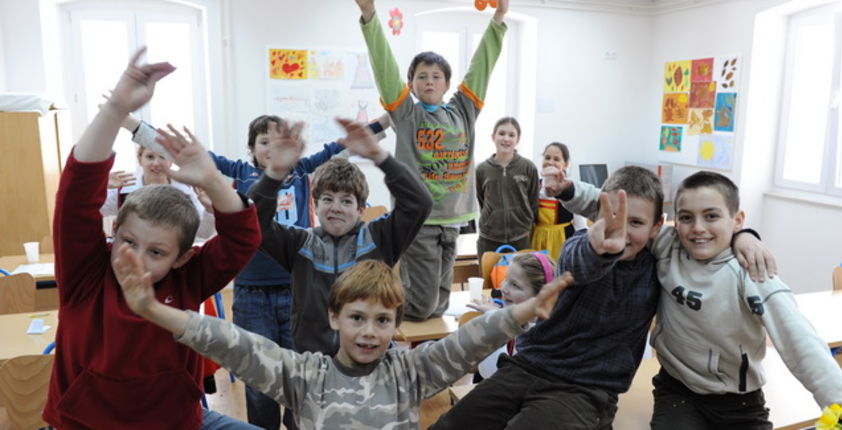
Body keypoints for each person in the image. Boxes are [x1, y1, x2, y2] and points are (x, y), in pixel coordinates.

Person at [114, 245, 575, 429]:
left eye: (381, 320)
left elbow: (469, 341)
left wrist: (523, 311)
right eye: (357, 318)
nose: (369, 332)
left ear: (397, 326)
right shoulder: (302, 375)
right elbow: (230, 341)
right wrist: (154, 309)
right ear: (334, 317)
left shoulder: (411, 371)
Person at [123, 113, 387, 430]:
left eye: (279, 143)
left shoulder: (302, 172)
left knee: (299, 377)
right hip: (251, 293)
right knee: (260, 381)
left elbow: (344, 145)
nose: (272, 149)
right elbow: (185, 153)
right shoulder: (239, 173)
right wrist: (131, 125)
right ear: (251, 149)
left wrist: (389, 119)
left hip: (295, 291)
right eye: (264, 142)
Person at [43, 47, 262, 430]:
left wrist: (211, 179)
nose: (137, 259)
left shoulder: (187, 278)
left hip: (177, 422)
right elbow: (76, 194)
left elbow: (241, 238)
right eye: (129, 242)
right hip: (83, 423)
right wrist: (114, 110)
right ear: (113, 233)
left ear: (181, 258)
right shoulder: (87, 274)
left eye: (157, 251)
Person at [433, 166, 666, 429]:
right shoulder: (580, 244)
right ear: (596, 215)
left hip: (587, 390)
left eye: (635, 223)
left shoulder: (659, 268)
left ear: (656, 226)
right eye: (612, 218)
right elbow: (577, 265)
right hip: (527, 366)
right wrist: (598, 250)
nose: (620, 231)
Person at [646, 171, 842, 429]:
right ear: (675, 221)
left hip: (739, 403)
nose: (698, 227)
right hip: (677, 391)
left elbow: (799, 339)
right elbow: (622, 211)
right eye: (686, 218)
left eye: (711, 216)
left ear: (737, 220)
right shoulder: (668, 247)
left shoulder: (753, 273)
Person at [355, 0, 510, 321]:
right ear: (410, 85)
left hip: (453, 220)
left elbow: (482, 66)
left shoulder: (463, 109)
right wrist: (370, 15)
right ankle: (380, 321)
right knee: (421, 305)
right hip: (419, 222)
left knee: (439, 303)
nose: (428, 80)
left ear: (447, 83)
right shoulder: (406, 114)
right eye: (421, 76)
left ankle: (421, 353)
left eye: (436, 75)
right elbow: (385, 68)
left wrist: (498, 19)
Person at [247, 116, 431, 359]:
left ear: (361, 209)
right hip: (313, 363)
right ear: (315, 205)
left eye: (346, 201)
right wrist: (275, 173)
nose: (336, 207)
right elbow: (251, 221)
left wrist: (380, 158)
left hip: (370, 359)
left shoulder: (380, 237)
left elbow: (419, 204)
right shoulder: (298, 243)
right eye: (327, 199)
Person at [467, 252, 556, 380]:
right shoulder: (517, 321)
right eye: (506, 279)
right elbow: (481, 370)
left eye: (515, 285)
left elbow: (495, 374)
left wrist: (496, 321)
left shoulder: (542, 336)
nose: (503, 288)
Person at [102, 144, 215, 240]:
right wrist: (100, 185)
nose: (156, 163)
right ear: (139, 158)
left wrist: (209, 209)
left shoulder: (187, 192)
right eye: (150, 157)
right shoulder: (122, 191)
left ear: (171, 161)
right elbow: (89, 209)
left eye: (163, 157)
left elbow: (203, 232)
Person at [475, 117, 539, 260]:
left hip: (520, 237)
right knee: (489, 281)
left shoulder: (528, 168)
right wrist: (491, 218)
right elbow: (481, 200)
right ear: (493, 137)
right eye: (501, 133)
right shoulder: (481, 169)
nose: (506, 139)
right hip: (489, 238)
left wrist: (525, 221)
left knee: (521, 281)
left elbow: (533, 201)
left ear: (518, 139)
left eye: (511, 135)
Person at [530, 141, 587, 260]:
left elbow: (580, 225)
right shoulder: (534, 186)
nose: (550, 162)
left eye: (556, 159)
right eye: (547, 157)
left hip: (563, 241)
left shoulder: (571, 187)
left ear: (565, 164)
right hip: (537, 240)